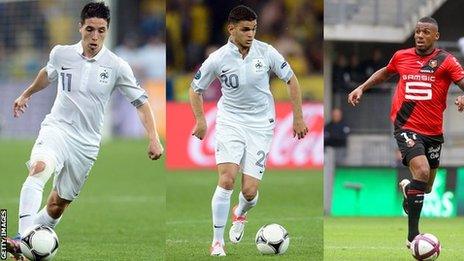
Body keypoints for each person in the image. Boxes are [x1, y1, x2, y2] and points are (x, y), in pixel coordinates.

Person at [6, 2, 164, 260]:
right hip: (57, 128)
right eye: (89, 29)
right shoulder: (61, 53)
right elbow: (48, 73)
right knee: (39, 168)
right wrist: (26, 94)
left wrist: (153, 138)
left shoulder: (117, 66)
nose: (94, 36)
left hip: (87, 143)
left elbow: (142, 103)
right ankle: (24, 239)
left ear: (107, 30)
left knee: (57, 205)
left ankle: (28, 241)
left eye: (101, 31)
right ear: (80, 27)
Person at [188, 5, 308, 256]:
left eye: (253, 29)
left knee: (249, 191)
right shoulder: (218, 58)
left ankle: (240, 212)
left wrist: (298, 116)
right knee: (227, 178)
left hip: (261, 124)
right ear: (231, 29)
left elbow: (291, 80)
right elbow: (195, 88)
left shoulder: (266, 52)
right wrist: (201, 120)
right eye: (245, 29)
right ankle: (217, 242)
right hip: (230, 121)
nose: (250, 34)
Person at [348, 17, 464, 248]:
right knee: (420, 171)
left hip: (433, 132)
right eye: (418, 31)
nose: (420, 35)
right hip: (406, 127)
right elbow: (385, 72)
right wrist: (362, 87)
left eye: (426, 32)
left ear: (436, 36)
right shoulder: (402, 57)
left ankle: (407, 189)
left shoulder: (446, 61)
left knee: (426, 186)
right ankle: (413, 238)